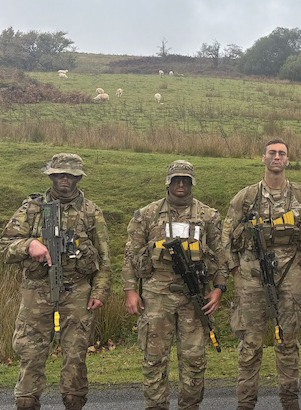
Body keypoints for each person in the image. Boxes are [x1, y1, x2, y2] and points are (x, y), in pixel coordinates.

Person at [0, 153, 111, 410]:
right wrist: (30, 245)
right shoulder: (31, 209)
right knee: (30, 353)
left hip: (77, 290)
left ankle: (74, 401)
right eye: (60, 174)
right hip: (37, 291)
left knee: (76, 355)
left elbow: (104, 258)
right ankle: (26, 402)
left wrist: (100, 291)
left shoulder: (91, 212)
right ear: (51, 176)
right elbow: (5, 247)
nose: (65, 179)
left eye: (71, 175)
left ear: (78, 178)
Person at [221, 138, 301, 410]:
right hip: (251, 280)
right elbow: (226, 236)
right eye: (272, 153)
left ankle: (290, 404)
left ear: (288, 160)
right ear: (263, 158)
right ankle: (245, 405)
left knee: (287, 344)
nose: (276, 157)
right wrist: (235, 272)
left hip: (290, 280)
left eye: (282, 154)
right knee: (250, 347)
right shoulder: (246, 197)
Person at [121, 160, 225, 410]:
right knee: (154, 359)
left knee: (194, 360)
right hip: (156, 297)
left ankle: (190, 406)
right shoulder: (146, 214)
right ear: (168, 181)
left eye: (186, 180)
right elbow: (130, 255)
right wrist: (130, 290)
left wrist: (219, 288)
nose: (181, 184)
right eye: (176, 179)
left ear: (192, 183)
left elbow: (221, 255)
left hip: (194, 297)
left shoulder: (208, 216)